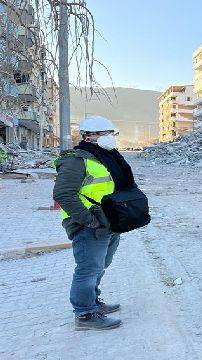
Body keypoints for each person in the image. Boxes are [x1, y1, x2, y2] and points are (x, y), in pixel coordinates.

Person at [53, 115, 134, 331]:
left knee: (101, 265)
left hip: (109, 222)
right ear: (89, 136)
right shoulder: (75, 161)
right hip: (88, 225)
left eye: (112, 133)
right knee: (88, 269)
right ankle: (85, 314)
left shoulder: (106, 157)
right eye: (106, 134)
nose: (111, 138)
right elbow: (63, 194)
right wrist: (90, 221)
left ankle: (94, 301)